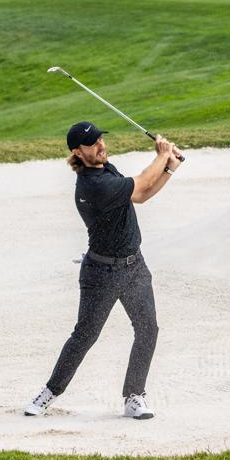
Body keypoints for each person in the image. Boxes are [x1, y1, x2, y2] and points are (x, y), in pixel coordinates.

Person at [24, 122, 183, 421]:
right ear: (77, 152)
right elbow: (139, 182)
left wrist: (169, 169)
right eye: (92, 143)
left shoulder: (107, 169)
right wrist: (162, 155)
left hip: (134, 267)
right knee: (84, 335)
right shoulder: (92, 186)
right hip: (101, 273)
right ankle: (49, 393)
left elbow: (141, 195)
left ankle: (134, 396)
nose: (101, 146)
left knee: (148, 329)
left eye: (100, 140)